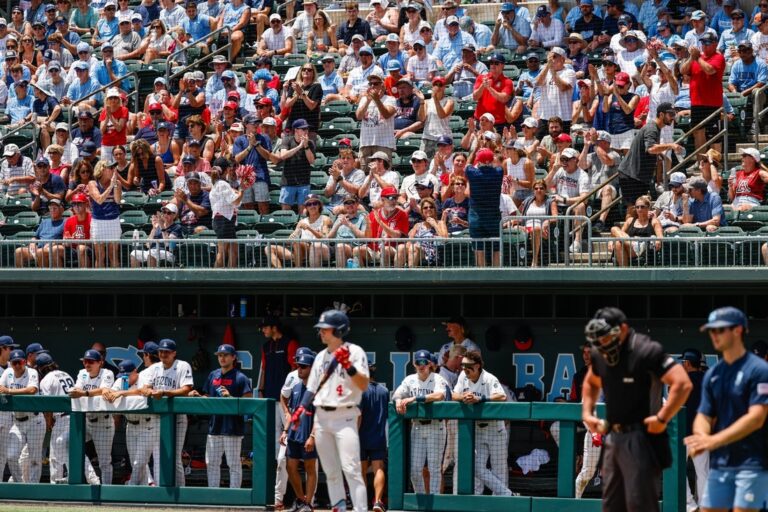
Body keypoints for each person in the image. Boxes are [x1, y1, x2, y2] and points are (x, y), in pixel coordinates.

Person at [582, 307, 693, 512]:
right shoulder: (601, 353)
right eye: (600, 339)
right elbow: (590, 382)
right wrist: (587, 413)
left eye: (607, 337)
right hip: (613, 437)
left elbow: (682, 383)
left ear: (623, 329)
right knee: (612, 506)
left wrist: (662, 418)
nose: (603, 343)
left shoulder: (646, 350)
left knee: (639, 505)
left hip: (642, 437)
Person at [684, 307, 768, 512]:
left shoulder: (759, 370)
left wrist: (714, 439)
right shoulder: (713, 374)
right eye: (711, 330)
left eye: (720, 330)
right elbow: (703, 414)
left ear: (738, 331)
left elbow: (756, 417)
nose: (714, 335)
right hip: (722, 463)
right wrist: (701, 434)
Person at [289, 309, 370, 512]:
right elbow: (311, 388)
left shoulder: (355, 352)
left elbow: (364, 385)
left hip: (345, 415)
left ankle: (360, 509)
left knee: (351, 469)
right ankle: (339, 507)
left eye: (325, 329)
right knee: (331, 471)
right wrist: (299, 410)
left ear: (338, 329)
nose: (321, 332)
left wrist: (348, 366)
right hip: (321, 417)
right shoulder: (320, 357)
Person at [188, 344, 253, 489]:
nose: (222, 358)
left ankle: (235, 496)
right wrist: (198, 396)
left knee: (234, 463)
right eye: (220, 355)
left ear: (233, 357)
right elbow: (208, 397)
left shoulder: (240, 378)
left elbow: (248, 404)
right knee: (211, 462)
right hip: (215, 426)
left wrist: (230, 397)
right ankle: (213, 494)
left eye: (225, 355)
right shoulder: (213, 375)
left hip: (232, 428)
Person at [452, 349, 512, 496]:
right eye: (463, 365)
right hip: (477, 428)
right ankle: (507, 494)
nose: (465, 369)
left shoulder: (489, 378)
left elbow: (502, 397)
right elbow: (453, 394)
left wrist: (481, 399)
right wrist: (463, 397)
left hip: (494, 428)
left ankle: (501, 503)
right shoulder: (463, 376)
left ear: (478, 365)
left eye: (468, 366)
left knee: (499, 470)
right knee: (476, 468)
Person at [140, 338, 194, 487]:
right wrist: (150, 391)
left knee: (175, 457)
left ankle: (180, 491)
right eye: (161, 351)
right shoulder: (155, 368)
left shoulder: (182, 366)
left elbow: (186, 389)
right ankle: (160, 490)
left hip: (177, 418)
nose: (163, 354)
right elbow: (144, 388)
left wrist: (164, 392)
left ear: (174, 353)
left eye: (167, 352)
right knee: (159, 455)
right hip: (159, 417)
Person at [393, 349, 448, 494]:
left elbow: (440, 395)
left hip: (436, 426)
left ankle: (435, 504)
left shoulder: (438, 378)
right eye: (418, 362)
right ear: (414, 364)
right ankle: (421, 500)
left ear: (430, 364)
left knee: (434, 468)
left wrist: (416, 399)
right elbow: (397, 394)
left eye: (425, 362)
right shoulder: (410, 380)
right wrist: (399, 399)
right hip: (417, 426)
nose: (421, 365)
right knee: (415, 469)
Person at [617, 102, 681, 207]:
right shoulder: (652, 128)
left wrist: (659, 152)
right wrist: (671, 145)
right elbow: (651, 149)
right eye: (671, 114)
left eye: (674, 114)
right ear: (661, 114)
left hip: (638, 176)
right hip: (631, 175)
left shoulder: (656, 128)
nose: (673, 118)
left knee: (640, 209)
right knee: (633, 210)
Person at [68, 348, 116, 485]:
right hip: (86, 422)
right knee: (68, 444)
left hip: (103, 422)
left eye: (90, 362)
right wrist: (83, 392)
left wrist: (85, 393)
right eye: (85, 361)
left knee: (104, 461)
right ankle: (92, 479)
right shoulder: (82, 373)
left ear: (100, 362)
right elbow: (77, 389)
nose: (87, 364)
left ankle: (107, 489)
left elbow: (102, 390)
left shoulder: (107, 373)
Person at [279, 350, 317, 512]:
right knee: (290, 467)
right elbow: (293, 412)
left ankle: (308, 503)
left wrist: (313, 436)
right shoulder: (295, 388)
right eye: (298, 366)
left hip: (309, 434)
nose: (299, 369)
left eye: (303, 366)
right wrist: (285, 431)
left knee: (310, 469)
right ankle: (301, 500)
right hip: (294, 434)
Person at [0, 348, 44, 483]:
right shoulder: (7, 372)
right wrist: (5, 390)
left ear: (25, 361)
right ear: (10, 363)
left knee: (35, 459)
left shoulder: (32, 372)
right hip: (17, 422)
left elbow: (32, 390)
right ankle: (20, 485)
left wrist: (9, 391)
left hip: (34, 421)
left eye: (20, 362)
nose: (18, 365)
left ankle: (34, 489)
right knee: (11, 455)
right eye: (14, 363)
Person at [680, 31, 725, 153]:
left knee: (714, 135)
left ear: (715, 44)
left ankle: (715, 164)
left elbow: (710, 70)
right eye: (703, 43)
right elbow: (683, 70)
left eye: (708, 43)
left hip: (712, 103)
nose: (704, 45)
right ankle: (701, 164)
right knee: (698, 133)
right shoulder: (697, 57)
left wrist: (698, 58)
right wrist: (691, 57)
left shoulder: (718, 57)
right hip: (697, 102)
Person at [37, 352, 74, 484]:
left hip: (61, 419)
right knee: (68, 450)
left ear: (41, 368)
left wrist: (48, 423)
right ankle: (67, 478)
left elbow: (48, 405)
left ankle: (55, 485)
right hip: (74, 418)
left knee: (55, 454)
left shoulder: (46, 380)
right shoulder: (65, 374)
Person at [358, 362, 389, 512]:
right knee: (378, 469)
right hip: (379, 435)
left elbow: (358, 416)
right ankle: (377, 501)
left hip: (361, 436)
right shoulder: (384, 391)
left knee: (360, 471)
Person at [610, 194, 663, 266]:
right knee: (615, 234)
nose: (639, 209)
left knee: (618, 242)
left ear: (648, 208)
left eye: (642, 207)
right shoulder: (630, 220)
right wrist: (611, 241)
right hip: (630, 247)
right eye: (637, 207)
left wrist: (658, 240)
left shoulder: (654, 221)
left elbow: (660, 236)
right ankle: (625, 271)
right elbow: (620, 235)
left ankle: (624, 271)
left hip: (645, 250)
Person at [88, 160, 122, 268]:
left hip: (113, 220)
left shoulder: (117, 183)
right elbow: (99, 200)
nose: (113, 170)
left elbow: (117, 200)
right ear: (102, 169)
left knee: (113, 254)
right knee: (100, 255)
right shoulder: (92, 183)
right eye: (110, 168)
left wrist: (115, 185)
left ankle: (116, 280)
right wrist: (110, 186)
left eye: (114, 168)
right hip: (98, 221)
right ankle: (99, 281)